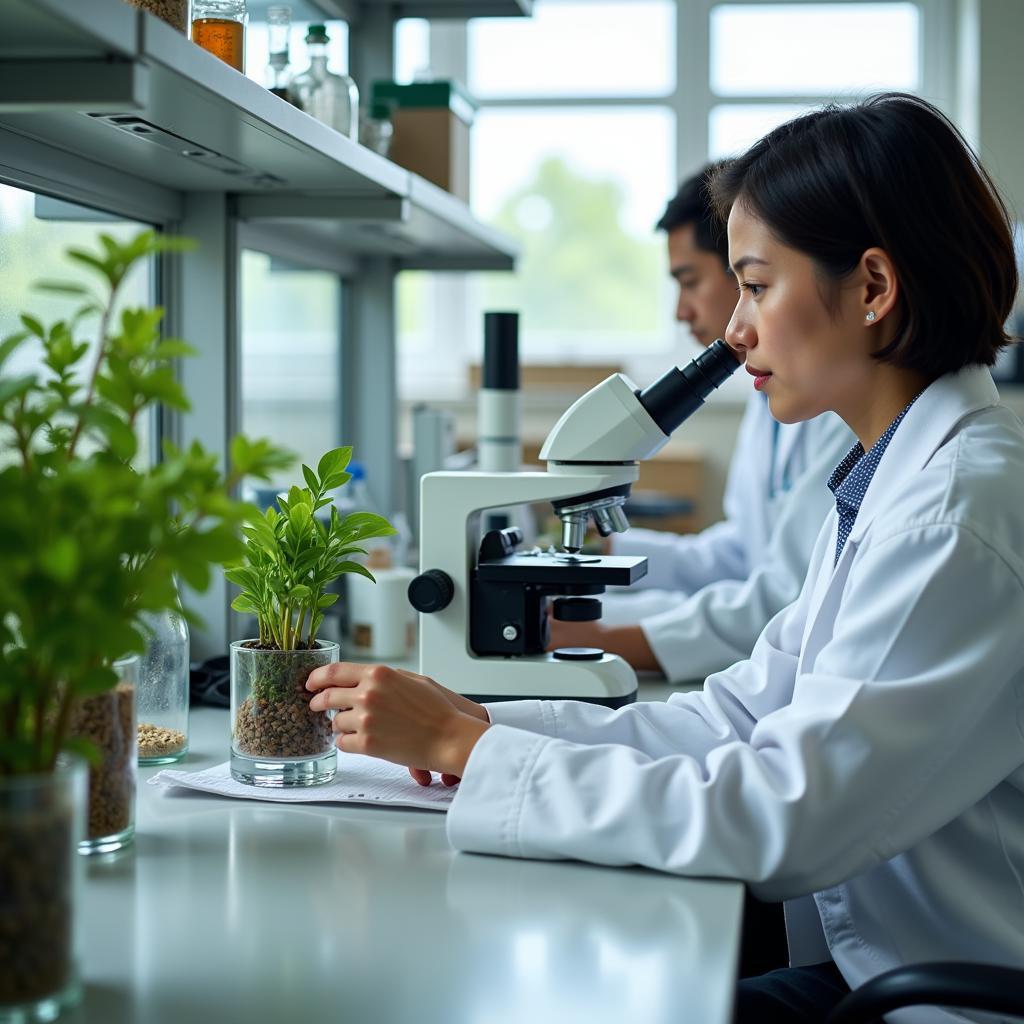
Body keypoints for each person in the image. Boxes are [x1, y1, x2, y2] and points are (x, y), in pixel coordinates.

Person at [308, 93, 1023, 1023]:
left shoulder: (952, 515)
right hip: (874, 959)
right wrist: (485, 720)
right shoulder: (896, 482)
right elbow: (736, 714)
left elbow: (784, 818)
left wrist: (471, 751)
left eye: (758, 286)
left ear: (875, 290)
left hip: (938, 994)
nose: (734, 328)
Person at [548, 165, 855, 683]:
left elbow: (789, 594)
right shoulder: (774, 395)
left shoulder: (841, 408)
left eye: (752, 286)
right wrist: (611, 547)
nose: (681, 312)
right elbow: (744, 552)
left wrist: (605, 642)